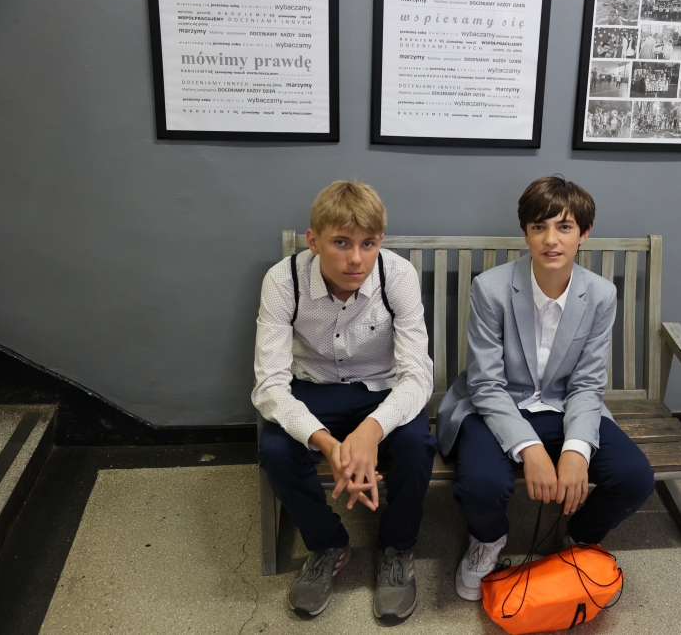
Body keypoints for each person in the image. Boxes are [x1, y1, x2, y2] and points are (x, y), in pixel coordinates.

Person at [437, 176, 656, 602]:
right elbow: (486, 383)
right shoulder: (490, 288)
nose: (551, 239)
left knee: (634, 477)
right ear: (525, 232)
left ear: (584, 233)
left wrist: (575, 449)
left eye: (564, 227)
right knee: (480, 486)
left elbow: (587, 383)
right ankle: (488, 540)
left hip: (564, 405)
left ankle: (579, 538)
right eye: (539, 227)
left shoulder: (601, 295)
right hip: (494, 406)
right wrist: (530, 450)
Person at [253, 181, 436, 624]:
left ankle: (396, 548)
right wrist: (328, 444)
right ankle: (328, 544)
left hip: (381, 388)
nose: (356, 258)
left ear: (380, 242)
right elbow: (270, 385)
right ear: (314, 241)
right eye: (341, 243)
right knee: (275, 450)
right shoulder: (283, 280)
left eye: (368, 243)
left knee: (417, 446)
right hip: (314, 388)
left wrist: (370, 431)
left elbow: (418, 376)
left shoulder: (398, 276)